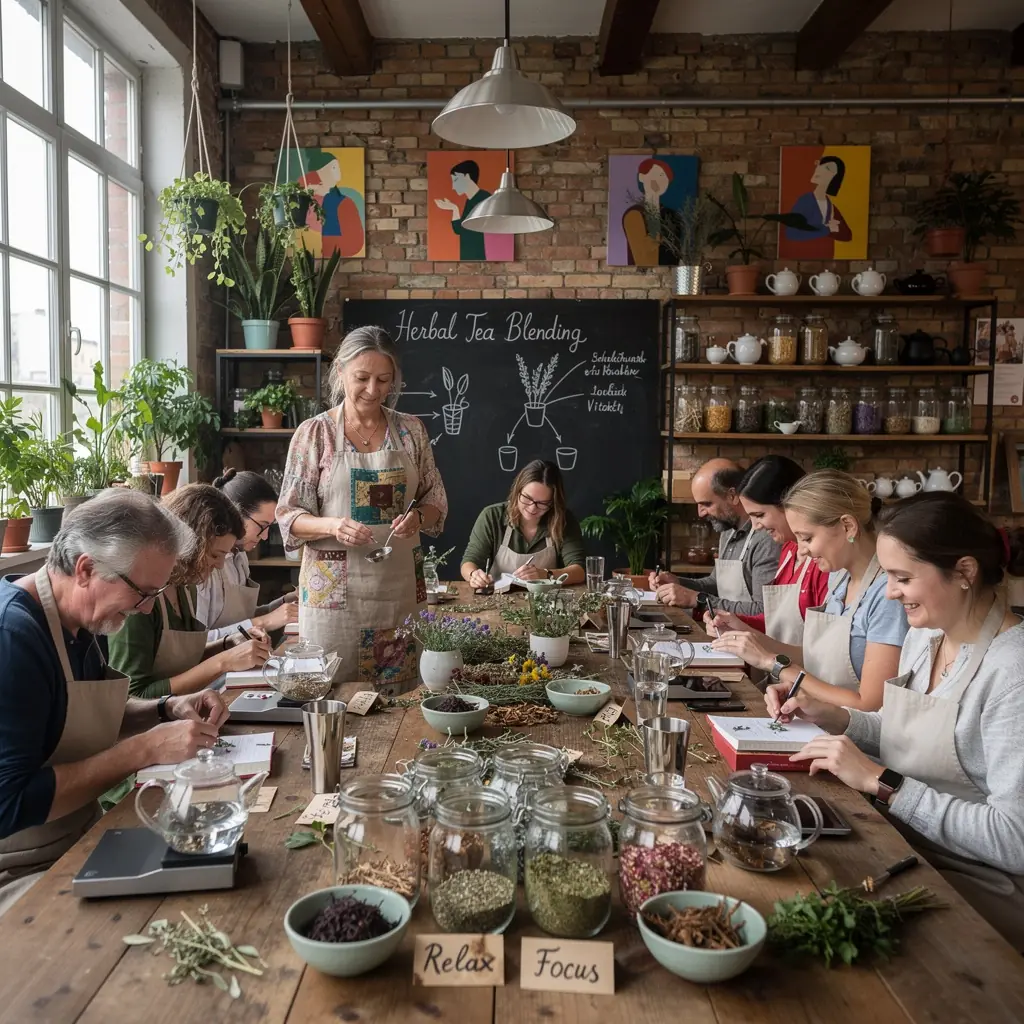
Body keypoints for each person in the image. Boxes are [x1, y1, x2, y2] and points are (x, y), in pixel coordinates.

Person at [770, 493, 1024, 951]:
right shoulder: (925, 637)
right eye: (887, 576)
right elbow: (900, 730)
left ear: (965, 572)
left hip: (983, 884)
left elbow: (1014, 840)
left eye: (902, 578)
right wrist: (836, 717)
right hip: (905, 843)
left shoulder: (1012, 673)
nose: (889, 592)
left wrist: (884, 783)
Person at [0, 490, 230, 915]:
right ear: (85, 568)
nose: (145, 610)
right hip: (18, 868)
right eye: (142, 592)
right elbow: (9, 804)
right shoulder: (14, 638)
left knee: (215, 876)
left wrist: (165, 709)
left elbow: (73, 719)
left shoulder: (81, 622)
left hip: (76, 836)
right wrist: (144, 750)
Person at [277, 325, 448, 691]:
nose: (373, 390)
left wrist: (418, 517)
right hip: (332, 601)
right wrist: (333, 526)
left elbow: (436, 501)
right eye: (362, 378)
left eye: (384, 379)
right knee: (331, 693)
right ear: (340, 372)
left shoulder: (411, 432)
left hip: (397, 591)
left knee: (397, 700)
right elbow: (289, 517)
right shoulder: (315, 434)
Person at [714, 470, 908, 712]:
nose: (802, 551)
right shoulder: (838, 579)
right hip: (821, 727)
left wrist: (774, 664)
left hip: (854, 745)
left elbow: (869, 704)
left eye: (806, 538)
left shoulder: (886, 596)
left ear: (848, 526)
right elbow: (815, 657)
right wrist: (750, 637)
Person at [109, 485, 271, 698]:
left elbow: (179, 662)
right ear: (187, 545)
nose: (221, 566)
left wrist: (226, 645)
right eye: (214, 555)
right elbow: (132, 696)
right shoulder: (140, 598)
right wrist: (223, 662)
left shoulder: (185, 586)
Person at [707, 455, 830, 647]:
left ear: (789, 503)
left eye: (760, 515)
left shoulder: (823, 562)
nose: (755, 526)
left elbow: (819, 649)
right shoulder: (789, 550)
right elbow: (774, 623)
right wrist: (736, 623)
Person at [649, 459, 781, 615]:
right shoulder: (727, 531)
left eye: (706, 504)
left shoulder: (766, 539)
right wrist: (678, 583)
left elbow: (762, 612)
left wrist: (697, 600)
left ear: (732, 495)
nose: (700, 513)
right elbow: (716, 584)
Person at [196, 469, 299, 641]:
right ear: (234, 515)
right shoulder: (204, 565)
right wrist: (264, 622)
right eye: (262, 526)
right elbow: (198, 643)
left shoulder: (239, 556)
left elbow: (243, 619)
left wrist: (285, 602)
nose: (265, 536)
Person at [461, 460, 586, 587]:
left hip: (547, 600)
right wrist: (474, 575)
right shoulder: (492, 516)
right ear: (517, 491)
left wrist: (545, 574)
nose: (532, 508)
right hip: (497, 598)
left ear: (553, 503)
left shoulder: (562, 519)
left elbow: (579, 571)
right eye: (527, 498)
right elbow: (469, 562)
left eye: (542, 503)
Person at [784, 154, 853, 258]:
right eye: (820, 165)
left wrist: (834, 228)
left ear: (834, 176)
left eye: (827, 168)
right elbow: (791, 233)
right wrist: (827, 230)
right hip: (803, 256)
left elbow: (847, 235)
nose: (819, 169)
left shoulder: (831, 206)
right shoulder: (805, 200)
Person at [622, 157, 683, 267]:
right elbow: (643, 250)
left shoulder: (671, 214)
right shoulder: (634, 214)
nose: (658, 180)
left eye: (663, 176)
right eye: (654, 174)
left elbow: (678, 250)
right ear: (641, 177)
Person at [433, 160, 491, 261]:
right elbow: (459, 230)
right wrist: (454, 208)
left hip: (480, 256)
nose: (453, 187)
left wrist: (453, 208)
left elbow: (470, 231)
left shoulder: (485, 199)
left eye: (455, 180)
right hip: (469, 258)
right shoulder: (470, 201)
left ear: (467, 177)